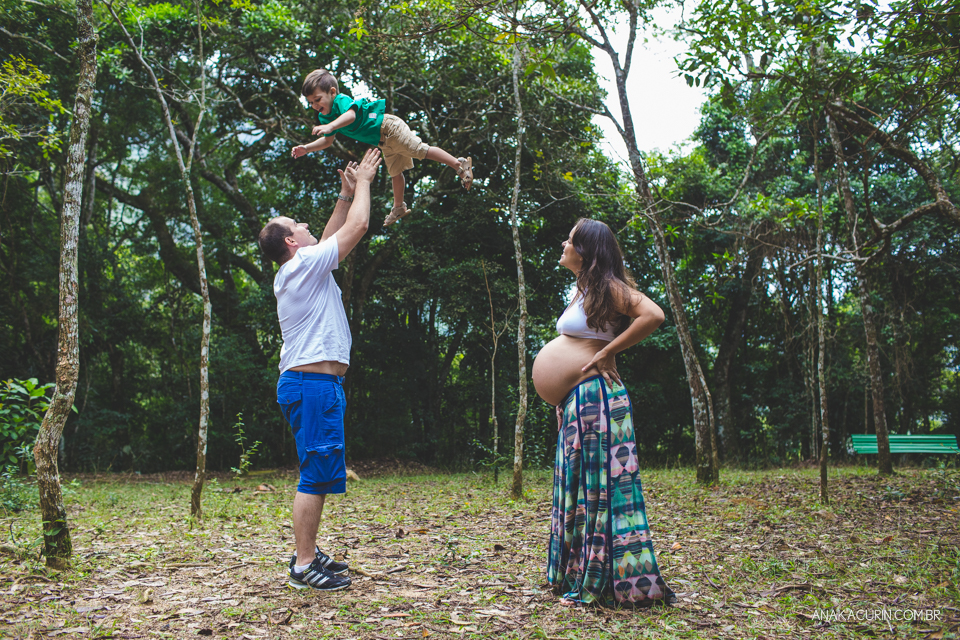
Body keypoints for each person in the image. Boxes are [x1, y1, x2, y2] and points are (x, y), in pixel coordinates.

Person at [531, 218, 676, 607]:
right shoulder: (585, 290)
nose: (564, 243)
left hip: (598, 401)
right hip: (580, 401)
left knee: (596, 491)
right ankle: (576, 572)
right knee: (579, 488)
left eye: (571, 239)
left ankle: (599, 581)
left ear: (586, 251)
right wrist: (561, 400)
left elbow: (654, 315)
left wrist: (610, 352)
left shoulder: (610, 286)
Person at [258, 148, 383, 591]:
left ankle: (308, 553)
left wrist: (345, 196)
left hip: (316, 384)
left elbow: (333, 231)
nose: (307, 226)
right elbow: (357, 229)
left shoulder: (301, 268)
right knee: (314, 474)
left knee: (320, 472)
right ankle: (303, 564)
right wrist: (365, 181)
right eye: (299, 226)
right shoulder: (304, 266)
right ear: (292, 243)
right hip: (311, 384)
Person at [290, 69, 474, 227]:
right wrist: (307, 148)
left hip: (388, 127)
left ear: (331, 92)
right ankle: (399, 207)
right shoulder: (325, 118)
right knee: (395, 172)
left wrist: (331, 127)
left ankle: (459, 165)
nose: (315, 106)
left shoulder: (340, 101)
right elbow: (327, 141)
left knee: (419, 150)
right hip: (384, 141)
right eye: (311, 103)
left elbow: (351, 116)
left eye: (317, 100)